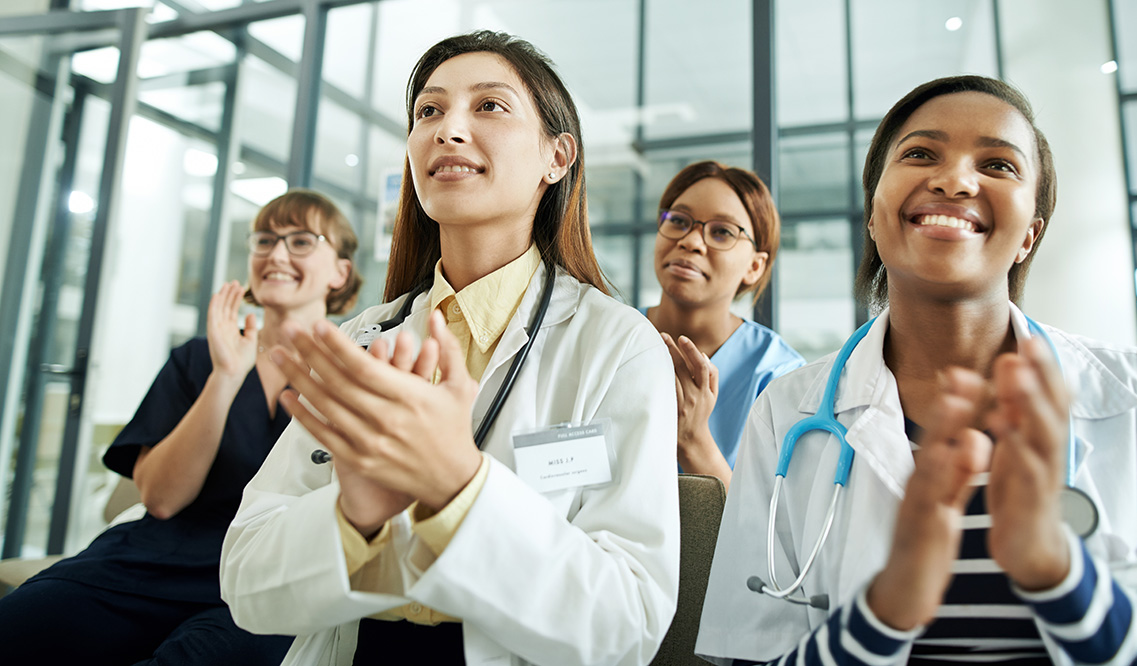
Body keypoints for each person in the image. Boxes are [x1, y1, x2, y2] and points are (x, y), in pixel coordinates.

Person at [696, 75, 1137, 665]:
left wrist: (1063, 581)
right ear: (874, 214)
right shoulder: (787, 414)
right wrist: (882, 615)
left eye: (999, 165)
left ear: (1028, 236)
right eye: (919, 154)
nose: (955, 179)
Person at [219, 31, 678, 666]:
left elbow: (626, 626)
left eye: (489, 106)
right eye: (428, 112)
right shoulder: (362, 341)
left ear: (558, 156)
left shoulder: (617, 347)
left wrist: (458, 489)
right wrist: (357, 518)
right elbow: (246, 583)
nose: (447, 130)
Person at [0, 189, 363, 665]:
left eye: (301, 241)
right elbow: (161, 498)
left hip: (262, 576)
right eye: (264, 240)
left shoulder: (356, 369)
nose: (276, 254)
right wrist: (224, 379)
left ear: (340, 271)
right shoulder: (199, 359)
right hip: (148, 559)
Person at [643, 161, 804, 487]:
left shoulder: (779, 376)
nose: (691, 242)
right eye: (678, 221)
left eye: (722, 232)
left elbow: (773, 527)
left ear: (755, 267)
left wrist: (692, 439)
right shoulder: (610, 336)